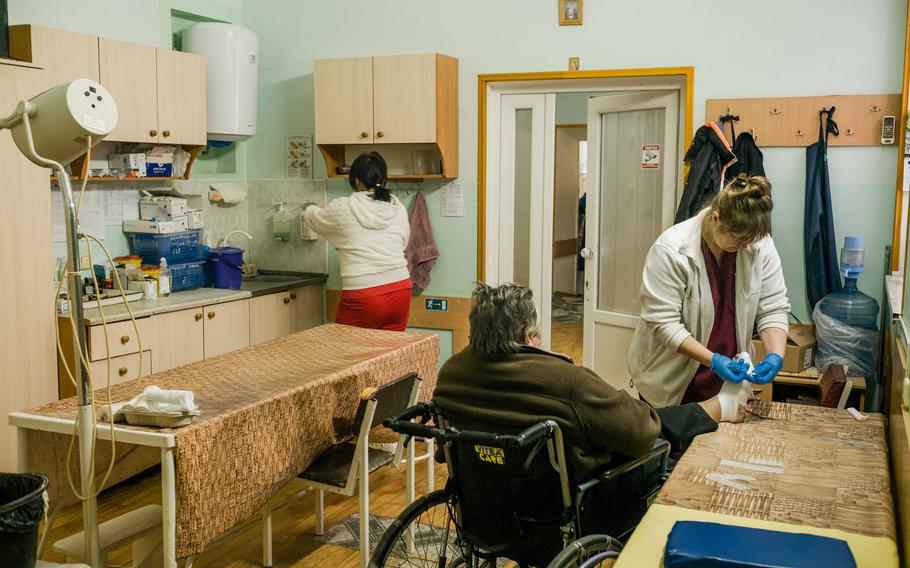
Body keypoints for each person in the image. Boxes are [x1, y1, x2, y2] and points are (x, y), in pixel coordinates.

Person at [433, 283, 750, 565]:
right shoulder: (563, 381)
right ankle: (719, 407)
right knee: (654, 435)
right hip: (556, 521)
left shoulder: (452, 372)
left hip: (481, 515)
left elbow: (443, 448)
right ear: (530, 336)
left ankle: (719, 406)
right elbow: (642, 431)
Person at [629, 174, 791, 409]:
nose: (746, 247)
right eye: (738, 239)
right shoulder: (671, 250)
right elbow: (663, 323)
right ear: (716, 219)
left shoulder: (758, 244)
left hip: (727, 378)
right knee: (672, 443)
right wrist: (712, 359)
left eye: (751, 241)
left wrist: (776, 354)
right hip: (670, 378)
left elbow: (773, 306)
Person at [303, 152, 411, 331]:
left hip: (365, 294)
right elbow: (403, 242)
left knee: (346, 355)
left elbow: (316, 219)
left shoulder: (343, 207)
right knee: (391, 354)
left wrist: (308, 208)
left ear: (357, 181)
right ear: (383, 180)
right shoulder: (397, 208)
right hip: (400, 288)